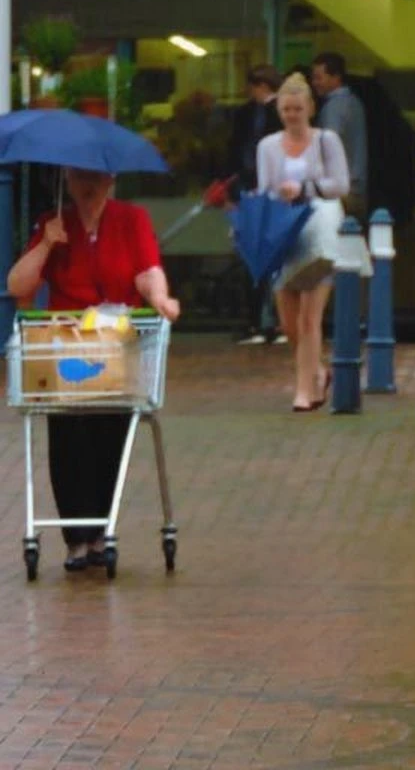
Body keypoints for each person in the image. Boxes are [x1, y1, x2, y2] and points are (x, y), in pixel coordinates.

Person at [7, 167, 181, 573]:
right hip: (65, 345)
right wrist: (46, 244)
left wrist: (160, 298)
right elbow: (18, 286)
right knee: (68, 436)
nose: (87, 186)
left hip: (115, 345)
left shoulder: (130, 219)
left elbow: (146, 269)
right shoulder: (54, 222)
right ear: (67, 182)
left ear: (110, 181)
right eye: (78, 179)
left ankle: (102, 531)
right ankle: (77, 538)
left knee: (109, 431)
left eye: (95, 179)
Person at [256, 72, 350, 412]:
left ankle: (304, 390)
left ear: (310, 107)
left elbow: (341, 185)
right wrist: (270, 195)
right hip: (283, 235)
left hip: (319, 234)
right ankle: (318, 372)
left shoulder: (327, 140)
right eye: (285, 109)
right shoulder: (267, 146)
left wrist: (305, 187)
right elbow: (265, 188)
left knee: (310, 317)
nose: (291, 115)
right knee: (288, 321)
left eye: (297, 108)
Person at [224, 63, 284, 344]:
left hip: (262, 192)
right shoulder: (251, 114)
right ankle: (262, 321)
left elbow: (237, 154)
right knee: (257, 260)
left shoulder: (275, 113)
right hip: (252, 192)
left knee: (263, 260)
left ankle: (264, 321)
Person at [311, 51, 368, 224]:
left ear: (336, 77)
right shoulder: (353, 102)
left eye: (319, 77)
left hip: (340, 189)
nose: (314, 83)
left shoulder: (334, 107)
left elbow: (327, 146)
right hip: (356, 184)